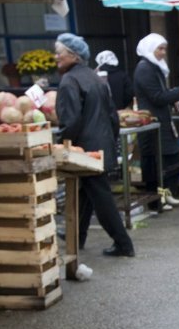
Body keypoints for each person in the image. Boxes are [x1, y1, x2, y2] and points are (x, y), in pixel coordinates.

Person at [54, 33, 135, 258]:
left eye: (59, 53)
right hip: (102, 145)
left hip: (85, 149)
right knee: (87, 193)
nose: (56, 57)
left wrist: (59, 144)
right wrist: (110, 141)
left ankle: (123, 243)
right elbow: (113, 116)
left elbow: (70, 121)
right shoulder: (95, 77)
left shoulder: (70, 81)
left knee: (101, 197)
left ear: (73, 55)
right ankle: (76, 235)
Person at [133, 33, 179, 211]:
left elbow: (162, 92)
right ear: (150, 49)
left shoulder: (154, 67)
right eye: (160, 48)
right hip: (151, 123)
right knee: (156, 163)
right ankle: (156, 201)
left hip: (161, 121)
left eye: (164, 48)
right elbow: (157, 97)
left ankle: (167, 195)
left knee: (173, 158)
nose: (163, 52)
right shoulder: (145, 69)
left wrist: (173, 95)